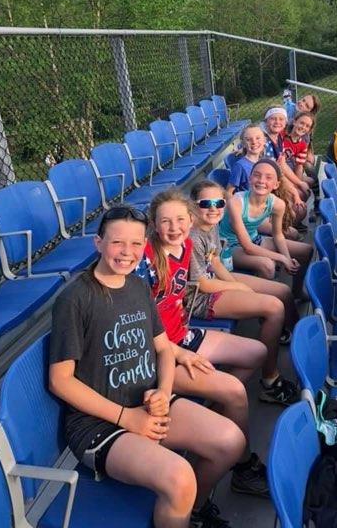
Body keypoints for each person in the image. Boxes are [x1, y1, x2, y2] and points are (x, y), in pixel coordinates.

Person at [49, 205, 246, 528]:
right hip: (99, 424)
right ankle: (178, 508)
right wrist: (127, 418)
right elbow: (60, 380)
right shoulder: (75, 299)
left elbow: (164, 350)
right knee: (180, 477)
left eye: (136, 244)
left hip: (147, 402)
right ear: (98, 242)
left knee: (230, 441)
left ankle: (188, 513)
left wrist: (163, 393)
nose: (127, 252)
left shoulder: (138, 287)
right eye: (117, 242)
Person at [139, 189, 273, 499]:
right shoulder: (144, 261)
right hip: (160, 353)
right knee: (235, 392)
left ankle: (213, 412)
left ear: (191, 220)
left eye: (180, 220)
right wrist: (178, 352)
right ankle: (242, 467)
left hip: (183, 335)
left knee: (257, 352)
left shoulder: (186, 245)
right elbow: (140, 327)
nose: (174, 227)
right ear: (154, 225)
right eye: (165, 221)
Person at [185, 179, 300, 403]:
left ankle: (287, 335)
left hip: (214, 280)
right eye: (206, 203)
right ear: (193, 205)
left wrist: (236, 285)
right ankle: (270, 381)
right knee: (274, 307)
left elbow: (215, 262)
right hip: (198, 298)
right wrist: (238, 287)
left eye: (219, 203)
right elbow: (202, 284)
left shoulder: (211, 224)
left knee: (281, 291)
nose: (213, 208)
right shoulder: (192, 236)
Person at [219, 158, 313, 297]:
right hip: (230, 247)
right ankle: (260, 301)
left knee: (306, 250)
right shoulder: (236, 203)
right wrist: (282, 258)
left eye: (269, 177)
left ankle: (297, 291)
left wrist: (287, 258)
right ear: (250, 179)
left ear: (276, 184)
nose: (262, 181)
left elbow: (278, 235)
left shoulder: (277, 204)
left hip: (255, 239)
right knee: (268, 266)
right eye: (257, 175)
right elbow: (248, 247)